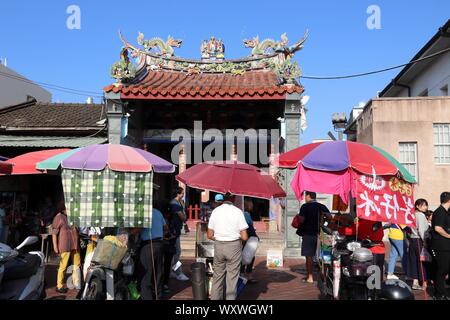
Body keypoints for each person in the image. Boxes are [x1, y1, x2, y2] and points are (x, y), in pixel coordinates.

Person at [207, 193, 248, 300]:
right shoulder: (238, 212)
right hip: (234, 246)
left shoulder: (216, 211)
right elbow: (244, 237)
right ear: (233, 198)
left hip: (219, 245)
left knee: (217, 277)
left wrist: (221, 237)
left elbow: (209, 235)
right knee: (232, 278)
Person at [297, 191, 330, 284]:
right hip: (320, 234)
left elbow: (302, 220)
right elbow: (330, 216)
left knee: (309, 257)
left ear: (308, 196)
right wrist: (322, 220)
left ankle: (310, 277)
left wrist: (298, 218)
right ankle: (324, 276)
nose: (304, 198)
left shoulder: (305, 206)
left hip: (308, 234)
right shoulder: (321, 206)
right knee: (323, 256)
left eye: (305, 196)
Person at [139, 204, 167, 300]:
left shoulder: (142, 213)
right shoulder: (158, 212)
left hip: (148, 244)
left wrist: (128, 233)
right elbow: (165, 227)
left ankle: (147, 297)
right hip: (159, 244)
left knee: (147, 273)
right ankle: (158, 296)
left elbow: (139, 228)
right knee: (158, 272)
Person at [52, 203, 81, 293]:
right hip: (65, 245)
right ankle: (59, 285)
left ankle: (76, 283)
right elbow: (54, 233)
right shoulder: (59, 217)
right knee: (63, 266)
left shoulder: (73, 217)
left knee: (77, 265)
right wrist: (55, 247)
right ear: (63, 208)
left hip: (75, 245)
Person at [406, 198, 430, 290]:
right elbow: (421, 230)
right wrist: (424, 241)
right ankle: (424, 283)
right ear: (417, 206)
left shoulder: (412, 214)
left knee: (414, 261)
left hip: (412, 240)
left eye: (426, 205)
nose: (425, 207)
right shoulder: (420, 215)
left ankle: (415, 282)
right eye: (423, 205)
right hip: (419, 240)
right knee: (422, 261)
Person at [431, 192, 450, 300]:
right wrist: (448, 236)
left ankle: (443, 291)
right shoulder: (439, 212)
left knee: (445, 269)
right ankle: (439, 294)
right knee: (442, 270)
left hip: (446, 246)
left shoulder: (446, 212)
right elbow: (438, 228)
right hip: (440, 246)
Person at [169, 187, 189, 281]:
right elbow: (182, 217)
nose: (183, 194)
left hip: (176, 229)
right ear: (178, 194)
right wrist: (185, 218)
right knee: (177, 252)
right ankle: (178, 272)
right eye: (182, 193)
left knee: (175, 253)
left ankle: (172, 271)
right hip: (174, 230)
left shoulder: (178, 202)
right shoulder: (175, 203)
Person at [241, 198, 258, 283]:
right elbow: (247, 227)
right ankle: (247, 275)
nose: (252, 205)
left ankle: (244, 274)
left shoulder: (246, 214)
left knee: (247, 257)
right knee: (249, 257)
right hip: (247, 239)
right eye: (251, 203)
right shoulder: (245, 214)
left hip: (248, 238)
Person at [162, 206, 177, 295]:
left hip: (168, 246)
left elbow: (175, 234)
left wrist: (169, 237)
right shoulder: (165, 219)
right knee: (165, 265)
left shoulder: (171, 221)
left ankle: (165, 283)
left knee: (167, 265)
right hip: (166, 245)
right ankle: (163, 283)